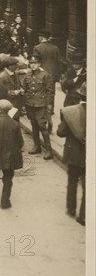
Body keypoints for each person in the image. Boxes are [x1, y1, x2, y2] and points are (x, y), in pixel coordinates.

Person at [0, 99, 24, 209]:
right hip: (10, 156)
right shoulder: (15, 124)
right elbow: (20, 142)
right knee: (8, 179)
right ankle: (5, 202)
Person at [57, 83, 86, 226]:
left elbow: (60, 133)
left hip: (73, 154)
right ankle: (84, 216)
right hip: (89, 156)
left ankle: (71, 208)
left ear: (80, 95)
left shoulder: (70, 112)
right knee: (88, 186)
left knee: (72, 182)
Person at [22, 55, 55, 160]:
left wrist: (49, 106)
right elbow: (25, 89)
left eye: (35, 63)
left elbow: (50, 91)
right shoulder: (27, 76)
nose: (33, 65)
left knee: (42, 126)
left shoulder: (45, 75)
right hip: (30, 104)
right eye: (31, 63)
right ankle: (37, 146)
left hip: (41, 104)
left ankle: (49, 150)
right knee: (34, 125)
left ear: (39, 64)